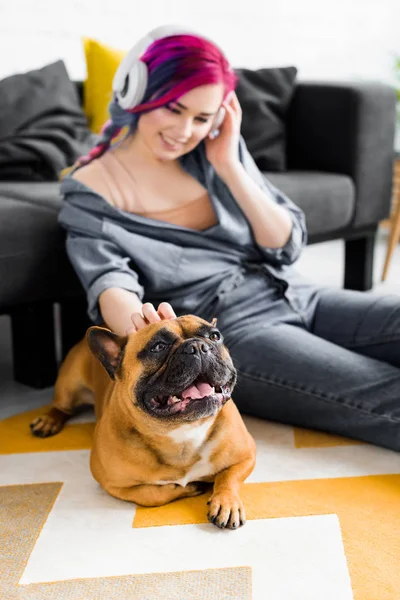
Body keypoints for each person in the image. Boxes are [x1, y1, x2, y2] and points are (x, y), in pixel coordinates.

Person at [59, 25, 400, 452]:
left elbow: (287, 244)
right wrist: (138, 323)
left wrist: (230, 166)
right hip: (234, 332)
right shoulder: (89, 192)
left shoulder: (215, 151)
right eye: (174, 109)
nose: (185, 131)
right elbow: (109, 282)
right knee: (383, 389)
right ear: (136, 93)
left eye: (202, 118)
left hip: (296, 293)